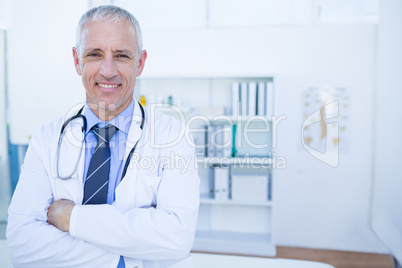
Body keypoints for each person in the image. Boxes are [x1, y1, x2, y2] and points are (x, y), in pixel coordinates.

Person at [6, 5, 200, 268]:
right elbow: (21, 245)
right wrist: (127, 254)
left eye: (121, 56)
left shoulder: (173, 136)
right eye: (95, 54)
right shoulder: (47, 139)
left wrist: (72, 219)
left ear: (140, 63)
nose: (108, 71)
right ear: (77, 61)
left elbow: (177, 238)